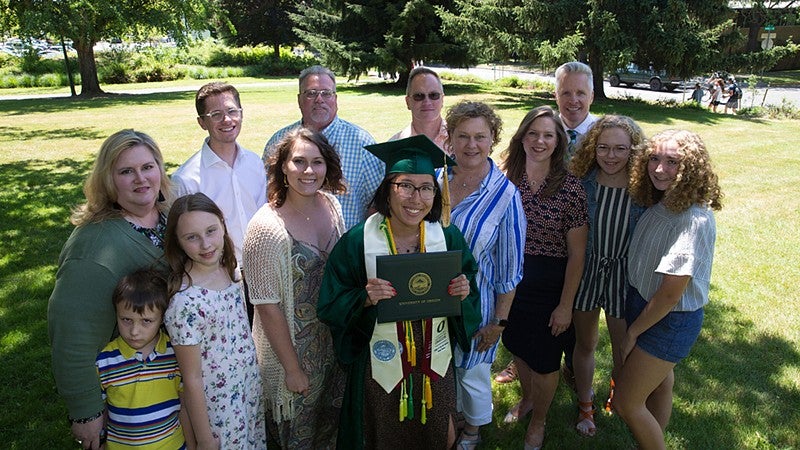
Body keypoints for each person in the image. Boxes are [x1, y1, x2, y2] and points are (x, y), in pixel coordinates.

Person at [317, 135, 482, 449]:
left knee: (439, 435)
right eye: (405, 186)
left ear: (436, 192)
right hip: (381, 364)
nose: (415, 198)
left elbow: (468, 280)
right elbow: (330, 303)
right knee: (384, 435)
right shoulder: (357, 242)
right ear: (387, 189)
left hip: (435, 358)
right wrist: (363, 297)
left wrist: (463, 292)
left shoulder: (446, 236)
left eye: (425, 188)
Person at [48, 129, 173, 450]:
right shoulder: (94, 246)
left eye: (148, 167)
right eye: (126, 171)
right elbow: (71, 336)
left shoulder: (173, 218)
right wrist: (85, 411)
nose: (140, 179)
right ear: (108, 180)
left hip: (173, 387)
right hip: (127, 399)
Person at [614, 130, 722, 450]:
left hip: (668, 319)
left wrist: (633, 332)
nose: (659, 169)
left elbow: (670, 294)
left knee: (626, 402)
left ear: (690, 168)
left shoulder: (693, 220)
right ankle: (651, 440)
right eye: (655, 159)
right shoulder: (663, 202)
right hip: (645, 304)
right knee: (660, 386)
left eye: (672, 162)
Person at [243, 128, 348, 449]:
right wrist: (292, 370)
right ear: (282, 168)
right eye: (299, 161)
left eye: (317, 162)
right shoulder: (265, 228)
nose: (308, 171)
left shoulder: (331, 205)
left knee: (330, 433)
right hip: (293, 360)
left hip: (334, 350)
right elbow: (266, 306)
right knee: (295, 440)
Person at [496, 61, 596, 387]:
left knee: (573, 339)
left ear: (592, 95)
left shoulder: (603, 137)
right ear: (556, 94)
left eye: (580, 92)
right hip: (518, 270)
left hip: (573, 257)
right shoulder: (509, 173)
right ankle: (523, 370)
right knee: (525, 340)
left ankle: (580, 394)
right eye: (566, 92)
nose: (573, 99)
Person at [499, 106, 588, 450]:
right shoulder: (505, 178)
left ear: (558, 142)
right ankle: (528, 399)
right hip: (511, 279)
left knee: (547, 358)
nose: (540, 141)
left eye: (548, 135)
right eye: (533, 133)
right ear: (522, 136)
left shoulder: (570, 188)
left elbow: (578, 254)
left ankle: (539, 420)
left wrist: (566, 306)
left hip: (551, 283)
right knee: (518, 345)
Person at [437, 101, 525, 449]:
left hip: (478, 306)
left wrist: (499, 322)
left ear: (493, 140)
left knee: (471, 373)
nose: (471, 145)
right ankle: (448, 418)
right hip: (430, 298)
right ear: (450, 139)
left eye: (480, 137)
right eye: (463, 136)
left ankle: (472, 431)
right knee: (441, 367)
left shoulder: (505, 196)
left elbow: (509, 269)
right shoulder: (437, 179)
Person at [164, 193, 266, 449]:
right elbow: (192, 378)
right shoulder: (185, 302)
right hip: (217, 410)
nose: (205, 244)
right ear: (177, 242)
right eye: (191, 237)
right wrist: (204, 438)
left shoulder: (229, 271)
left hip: (246, 394)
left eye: (211, 231)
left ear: (223, 225)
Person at [568, 115, 647, 436]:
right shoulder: (582, 182)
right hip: (586, 272)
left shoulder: (644, 187)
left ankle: (619, 391)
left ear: (634, 150)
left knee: (623, 346)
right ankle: (585, 405)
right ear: (592, 147)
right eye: (603, 148)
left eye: (620, 149)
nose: (611, 156)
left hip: (623, 276)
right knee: (585, 342)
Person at [263, 65, 384, 230]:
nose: (319, 99)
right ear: (299, 100)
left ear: (335, 99)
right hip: (291, 248)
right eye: (311, 93)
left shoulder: (362, 144)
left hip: (344, 248)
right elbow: (269, 195)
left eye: (326, 93)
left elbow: (377, 203)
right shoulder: (278, 141)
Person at [171, 81, 267, 266]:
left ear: (241, 113)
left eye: (232, 111)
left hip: (261, 267)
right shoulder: (186, 179)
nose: (227, 120)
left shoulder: (254, 163)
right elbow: (181, 240)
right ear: (201, 122)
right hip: (218, 275)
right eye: (216, 114)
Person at [96, 268, 193, 449]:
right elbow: (101, 413)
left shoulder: (176, 354)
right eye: (126, 320)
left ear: (162, 318)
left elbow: (185, 407)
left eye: (146, 321)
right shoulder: (105, 361)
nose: (134, 331)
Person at [390, 66, 449, 150]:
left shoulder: (461, 140)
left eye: (434, 95)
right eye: (419, 96)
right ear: (408, 102)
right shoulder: (395, 147)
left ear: (442, 99)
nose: (427, 102)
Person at [555, 61, 598, 160]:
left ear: (591, 97)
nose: (573, 101)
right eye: (566, 93)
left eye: (580, 93)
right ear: (556, 97)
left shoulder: (604, 134)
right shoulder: (546, 132)